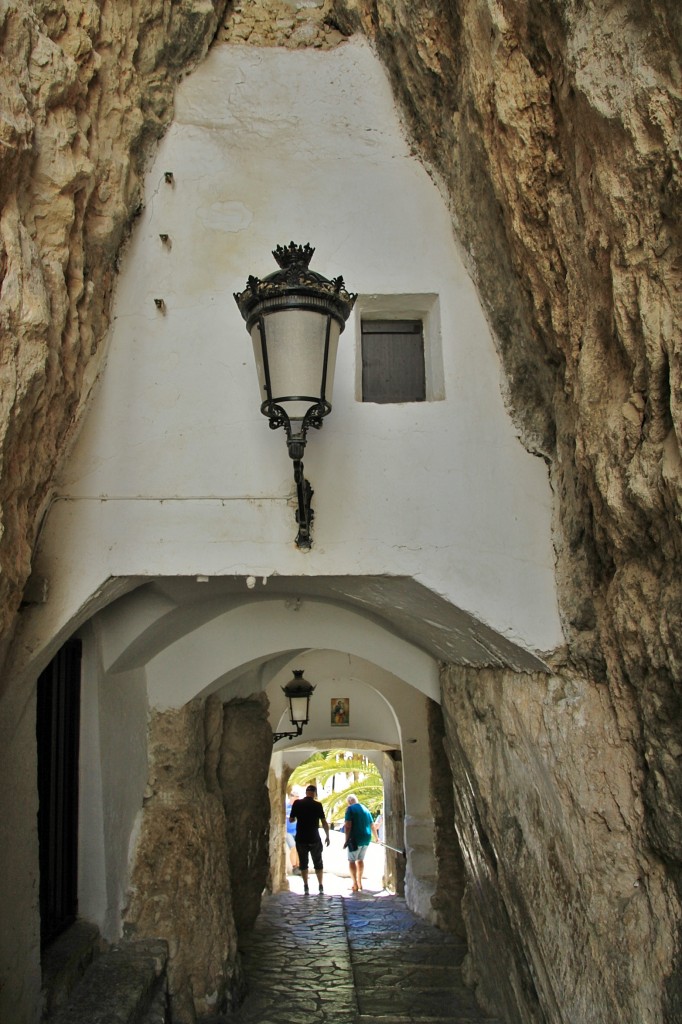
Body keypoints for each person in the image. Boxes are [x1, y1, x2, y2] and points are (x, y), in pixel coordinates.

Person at [289, 784, 330, 894]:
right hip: (314, 838)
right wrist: (327, 836)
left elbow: (291, 819)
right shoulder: (318, 805)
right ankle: (320, 885)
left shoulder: (297, 803)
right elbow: (324, 822)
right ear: (314, 794)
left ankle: (306, 886)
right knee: (318, 862)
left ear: (306, 793)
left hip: (301, 838)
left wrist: (298, 817)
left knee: (303, 863)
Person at [344, 794, 378, 892]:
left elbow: (348, 826)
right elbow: (372, 825)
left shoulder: (350, 809)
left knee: (351, 860)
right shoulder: (365, 809)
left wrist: (346, 840)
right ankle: (360, 882)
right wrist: (376, 837)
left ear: (349, 802)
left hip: (355, 838)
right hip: (366, 838)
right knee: (360, 859)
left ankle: (354, 883)